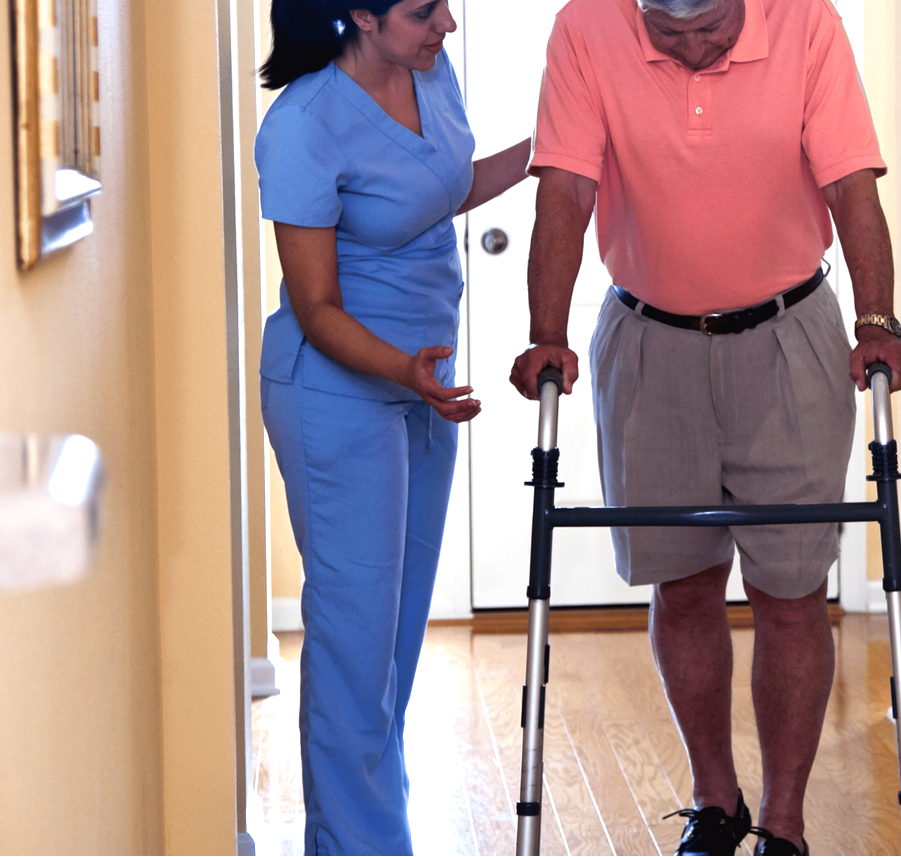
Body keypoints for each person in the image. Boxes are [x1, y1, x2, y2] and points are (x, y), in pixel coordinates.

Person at [509, 0, 901, 854]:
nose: (694, 47)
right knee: (682, 581)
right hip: (647, 337)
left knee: (792, 592)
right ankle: (714, 798)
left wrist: (876, 320)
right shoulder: (585, 27)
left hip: (787, 329)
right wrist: (546, 333)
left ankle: (783, 822)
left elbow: (850, 181)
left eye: (712, 29)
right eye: (670, 32)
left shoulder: (805, 22)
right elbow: (566, 190)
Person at [255, 2, 529, 853]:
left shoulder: (428, 71)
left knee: (396, 640)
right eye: (421, 11)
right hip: (338, 394)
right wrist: (403, 369)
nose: (446, 22)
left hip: (422, 387)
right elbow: (316, 307)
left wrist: (550, 148)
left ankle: (362, 836)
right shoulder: (302, 124)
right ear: (359, 15)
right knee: (354, 646)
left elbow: (441, 188)